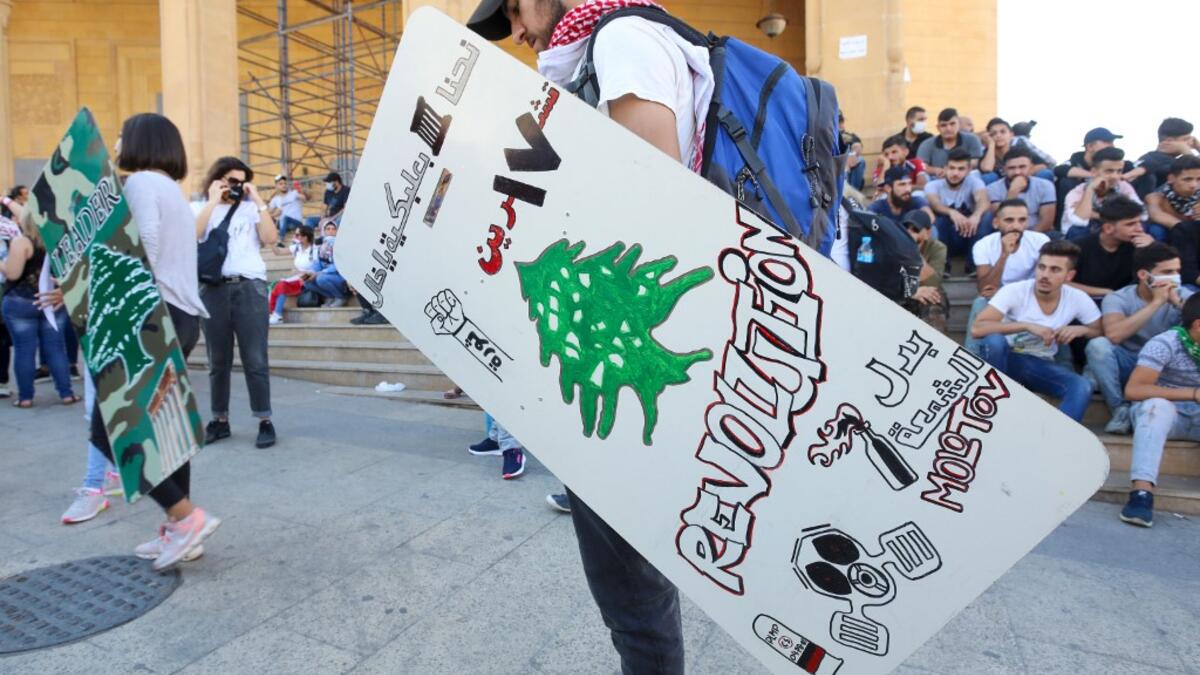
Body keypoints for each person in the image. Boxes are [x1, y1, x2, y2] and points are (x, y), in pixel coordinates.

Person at [468, 0, 712, 669]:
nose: (519, 30)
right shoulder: (606, 48)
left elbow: (658, 207)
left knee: (632, 595)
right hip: (613, 334)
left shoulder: (622, 43)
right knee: (632, 590)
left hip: (624, 346)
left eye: (514, 8)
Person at [61, 112, 223, 568]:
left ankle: (186, 518)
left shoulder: (139, 184)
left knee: (111, 429)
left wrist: (123, 302)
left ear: (139, 141)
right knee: (167, 428)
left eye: (120, 137)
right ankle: (180, 531)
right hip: (181, 316)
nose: (114, 146)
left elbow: (145, 240)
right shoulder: (171, 189)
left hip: (151, 315)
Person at [195, 156, 279, 449]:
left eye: (242, 182)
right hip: (214, 289)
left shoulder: (250, 209)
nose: (237, 186)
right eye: (232, 180)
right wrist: (212, 200)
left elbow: (270, 238)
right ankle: (220, 419)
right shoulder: (201, 208)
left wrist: (258, 200)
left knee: (255, 358)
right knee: (218, 361)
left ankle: (264, 420)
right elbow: (193, 234)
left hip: (250, 288)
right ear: (218, 179)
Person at [972, 240, 1101, 422]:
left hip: (1038, 364)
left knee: (1081, 385)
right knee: (994, 341)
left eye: (1055, 270)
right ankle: (994, 411)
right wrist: (1026, 325)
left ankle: (1058, 436)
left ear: (1069, 275)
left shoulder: (1077, 298)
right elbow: (977, 328)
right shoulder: (1015, 291)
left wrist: (1081, 329)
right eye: (1042, 267)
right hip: (1003, 359)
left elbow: (1099, 330)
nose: (1045, 275)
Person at [1085, 244, 1189, 435]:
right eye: (1167, 272)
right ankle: (1120, 409)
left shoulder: (1184, 297)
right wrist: (1156, 303)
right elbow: (1114, 334)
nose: (1175, 277)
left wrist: (1177, 304)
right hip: (1130, 361)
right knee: (1098, 346)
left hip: (1165, 368)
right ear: (1144, 275)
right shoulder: (1118, 298)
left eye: (1177, 271)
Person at [1121, 292, 1200, 527]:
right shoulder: (1165, 343)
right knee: (1157, 407)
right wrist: (1193, 394)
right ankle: (1141, 493)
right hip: (1164, 416)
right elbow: (1134, 390)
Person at [0, 212, 78, 408]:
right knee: (56, 348)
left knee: (24, 350)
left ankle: (25, 398)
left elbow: (12, 273)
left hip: (21, 302)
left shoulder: (22, 242)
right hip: (53, 300)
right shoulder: (60, 242)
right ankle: (67, 394)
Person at [964, 200, 1051, 353]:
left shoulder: (1040, 241)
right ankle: (971, 356)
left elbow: (1047, 279)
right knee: (980, 302)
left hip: (1031, 294)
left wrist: (1012, 292)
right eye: (1009, 220)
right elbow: (984, 289)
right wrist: (1004, 255)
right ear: (996, 223)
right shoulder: (983, 245)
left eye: (1022, 220)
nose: (1016, 226)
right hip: (999, 296)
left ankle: (1064, 362)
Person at [1069, 195, 1153, 300]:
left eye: (1139, 223)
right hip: (1085, 300)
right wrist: (1108, 293)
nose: (1139, 229)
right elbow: (1062, 283)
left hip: (1126, 301)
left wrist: (1152, 249)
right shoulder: (1079, 247)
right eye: (1130, 224)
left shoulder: (1140, 245)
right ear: (1108, 228)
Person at [925, 147, 990, 275]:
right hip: (947, 237)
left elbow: (983, 200)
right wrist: (952, 212)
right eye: (952, 168)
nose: (955, 173)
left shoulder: (975, 182)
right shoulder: (933, 185)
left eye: (961, 169)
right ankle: (943, 264)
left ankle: (973, 265)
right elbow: (935, 204)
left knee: (987, 216)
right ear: (945, 168)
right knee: (939, 219)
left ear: (968, 170)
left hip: (971, 235)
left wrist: (976, 216)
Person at [1060, 147, 1145, 241]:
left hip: (1113, 233)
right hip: (1082, 238)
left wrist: (1094, 214)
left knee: (1143, 228)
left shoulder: (1123, 186)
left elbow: (1143, 215)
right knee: (1078, 230)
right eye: (1109, 171)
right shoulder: (1078, 192)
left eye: (1119, 171)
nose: (1115, 176)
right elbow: (1079, 221)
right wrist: (1090, 190)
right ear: (1094, 172)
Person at [986, 147, 1056, 233]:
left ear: (1031, 167)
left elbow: (1046, 221)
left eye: (1022, 167)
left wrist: (1028, 238)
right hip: (1005, 232)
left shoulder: (1045, 186)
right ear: (1004, 169)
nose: (1017, 172)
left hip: (1038, 232)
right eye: (1011, 168)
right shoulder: (992, 188)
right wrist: (1013, 192)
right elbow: (999, 218)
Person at [901, 210, 948, 332]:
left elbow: (934, 282)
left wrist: (913, 251)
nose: (909, 233)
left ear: (927, 233)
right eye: (906, 228)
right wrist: (911, 291)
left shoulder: (937, 248)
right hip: (900, 292)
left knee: (935, 299)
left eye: (915, 229)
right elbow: (887, 280)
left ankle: (934, 341)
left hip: (926, 291)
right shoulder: (893, 245)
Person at [1127, 117, 1198, 194]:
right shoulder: (1163, 161)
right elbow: (1195, 171)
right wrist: (1187, 152)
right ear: (1169, 141)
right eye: (1185, 139)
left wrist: (1198, 147)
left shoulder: (1151, 156)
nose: (1191, 143)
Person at [1146, 154, 1200, 251]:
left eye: (1199, 179)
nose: (1194, 185)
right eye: (1187, 179)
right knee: (1157, 230)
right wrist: (1191, 226)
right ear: (1171, 178)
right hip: (1166, 241)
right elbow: (1156, 215)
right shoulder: (1155, 197)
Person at [268, 225, 318, 324]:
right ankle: (273, 313)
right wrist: (272, 243)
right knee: (276, 285)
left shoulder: (316, 250)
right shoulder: (297, 247)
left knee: (282, 284)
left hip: (309, 278)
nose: (295, 237)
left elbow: (317, 268)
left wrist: (303, 273)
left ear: (305, 237)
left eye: (298, 235)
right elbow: (278, 252)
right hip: (298, 277)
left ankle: (277, 314)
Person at [916, 107, 984, 179]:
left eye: (952, 124)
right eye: (943, 125)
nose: (948, 128)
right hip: (937, 178)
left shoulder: (972, 139)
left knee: (975, 174)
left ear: (959, 124)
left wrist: (952, 171)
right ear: (938, 128)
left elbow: (974, 163)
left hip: (965, 177)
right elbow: (922, 166)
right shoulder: (927, 144)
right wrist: (936, 170)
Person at [980, 117, 1054, 181]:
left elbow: (1042, 165)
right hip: (1000, 186)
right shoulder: (987, 152)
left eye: (1003, 132)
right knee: (988, 177)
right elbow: (987, 169)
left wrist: (1020, 176)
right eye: (993, 133)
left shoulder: (1020, 148)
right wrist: (991, 145)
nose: (998, 135)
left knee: (1045, 173)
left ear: (1011, 135)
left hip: (1025, 182)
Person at [302, 221, 348, 307]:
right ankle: (331, 297)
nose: (331, 231)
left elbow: (338, 265)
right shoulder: (320, 247)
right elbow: (317, 264)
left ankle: (341, 297)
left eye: (333, 229)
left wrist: (321, 273)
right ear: (324, 231)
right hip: (326, 276)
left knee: (320, 278)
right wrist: (311, 272)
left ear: (337, 231)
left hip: (340, 277)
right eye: (328, 229)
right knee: (307, 282)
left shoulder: (341, 245)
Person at [867, 166, 933, 222]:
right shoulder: (877, 207)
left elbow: (930, 219)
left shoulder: (916, 201)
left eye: (909, 183)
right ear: (888, 188)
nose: (907, 189)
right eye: (902, 184)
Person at [838, 111, 865, 191]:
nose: (840, 124)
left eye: (841, 121)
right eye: (837, 121)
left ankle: (853, 192)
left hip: (848, 165)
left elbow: (858, 146)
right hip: (834, 165)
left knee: (860, 160)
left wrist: (852, 155)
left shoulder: (850, 136)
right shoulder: (826, 136)